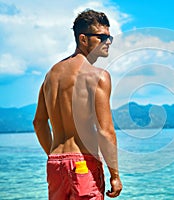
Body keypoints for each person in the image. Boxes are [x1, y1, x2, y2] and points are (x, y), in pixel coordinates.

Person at [33, 9, 122, 199]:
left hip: (55, 165)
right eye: (101, 37)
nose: (108, 42)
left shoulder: (50, 76)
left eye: (109, 37)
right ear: (83, 39)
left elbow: (39, 123)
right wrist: (115, 175)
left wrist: (54, 155)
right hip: (84, 162)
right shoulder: (97, 76)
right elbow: (105, 131)